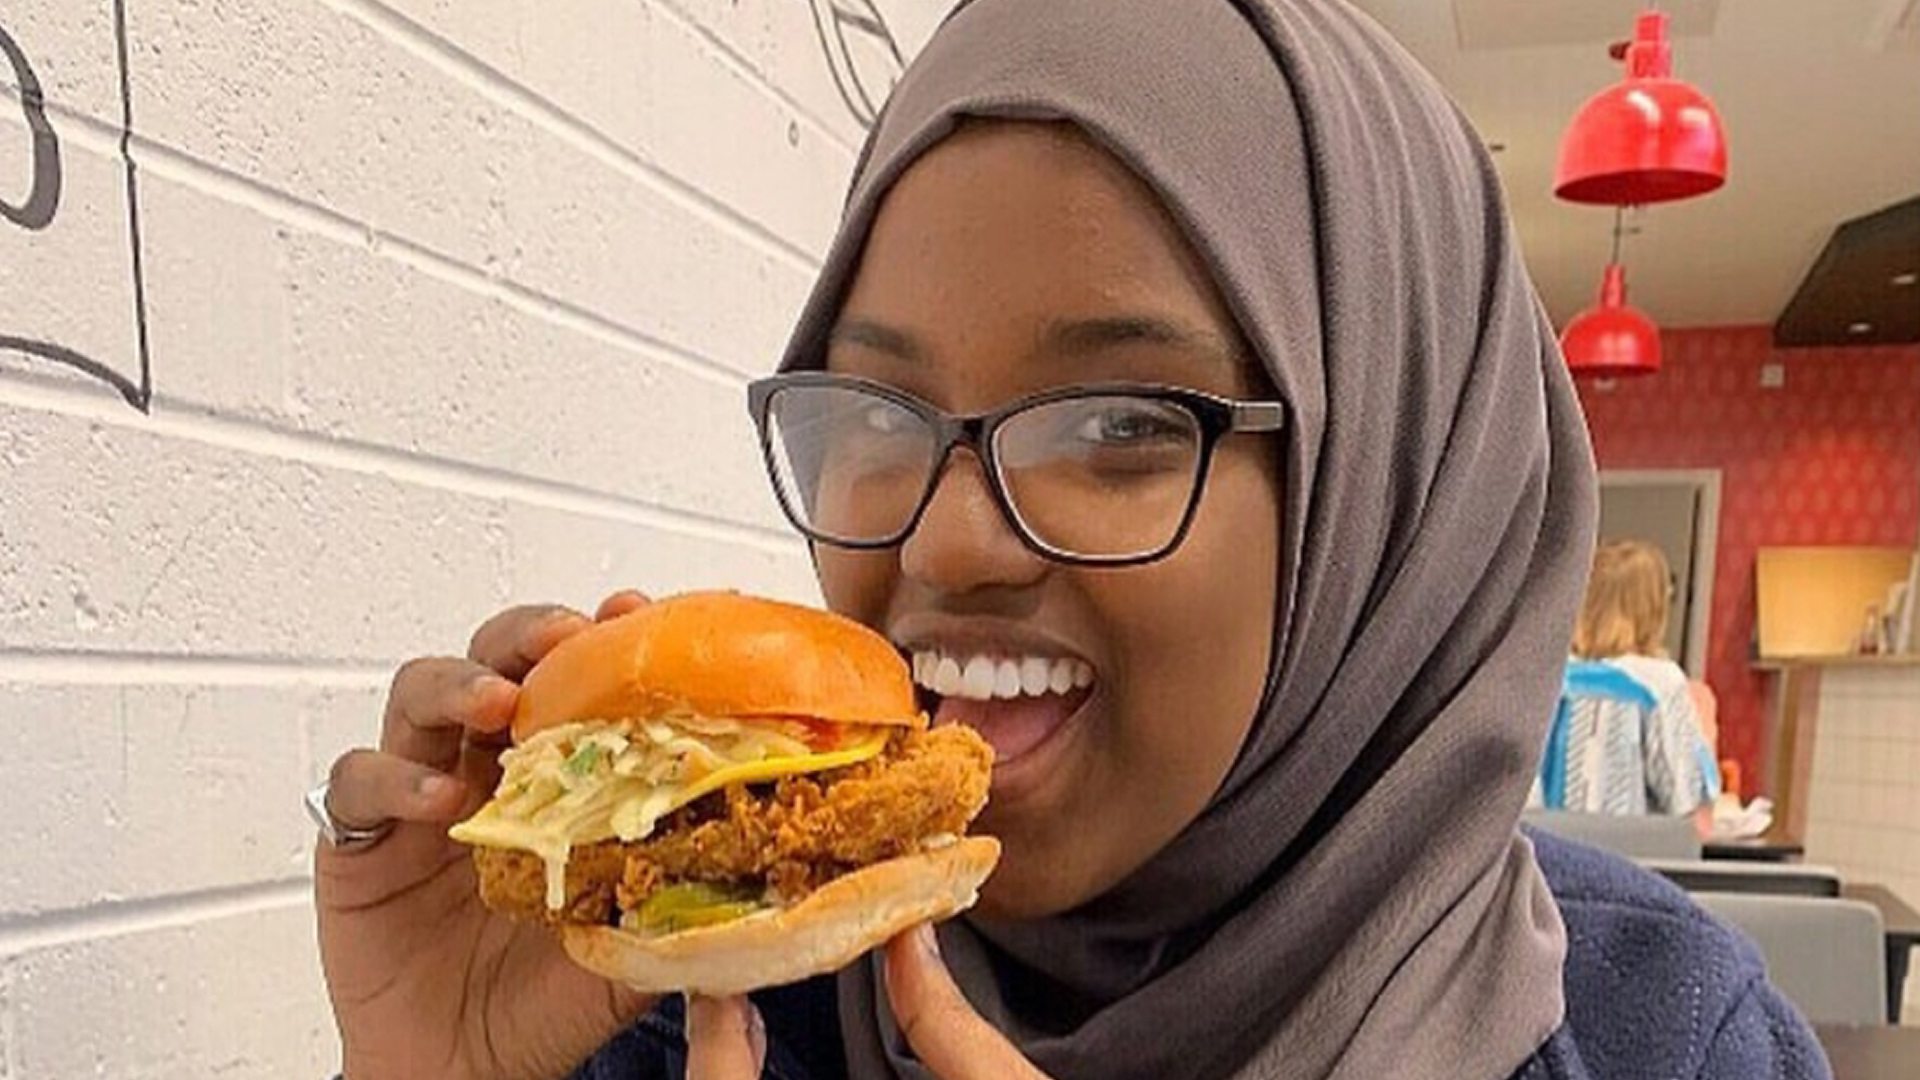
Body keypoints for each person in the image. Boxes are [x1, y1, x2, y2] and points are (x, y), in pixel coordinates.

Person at [308, 1, 1829, 1077]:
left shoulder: (1666, 1041)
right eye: (879, 409)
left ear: (1385, 499)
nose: (951, 543)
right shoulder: (695, 1000)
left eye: (1117, 424)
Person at [1537, 540, 1721, 832]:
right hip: (1625, 853)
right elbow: (1689, 806)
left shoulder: (1543, 676)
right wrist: (1706, 734)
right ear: (1652, 608)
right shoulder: (1658, 683)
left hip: (1542, 850)